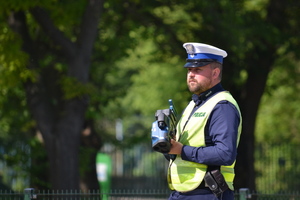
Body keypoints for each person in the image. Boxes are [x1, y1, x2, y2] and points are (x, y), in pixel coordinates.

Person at [167, 42, 242, 200]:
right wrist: (168, 146)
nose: (191, 74)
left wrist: (182, 150)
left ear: (215, 73)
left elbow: (225, 153)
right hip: (184, 192)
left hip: (209, 193)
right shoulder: (195, 104)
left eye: (197, 70)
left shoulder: (223, 105)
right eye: (189, 70)